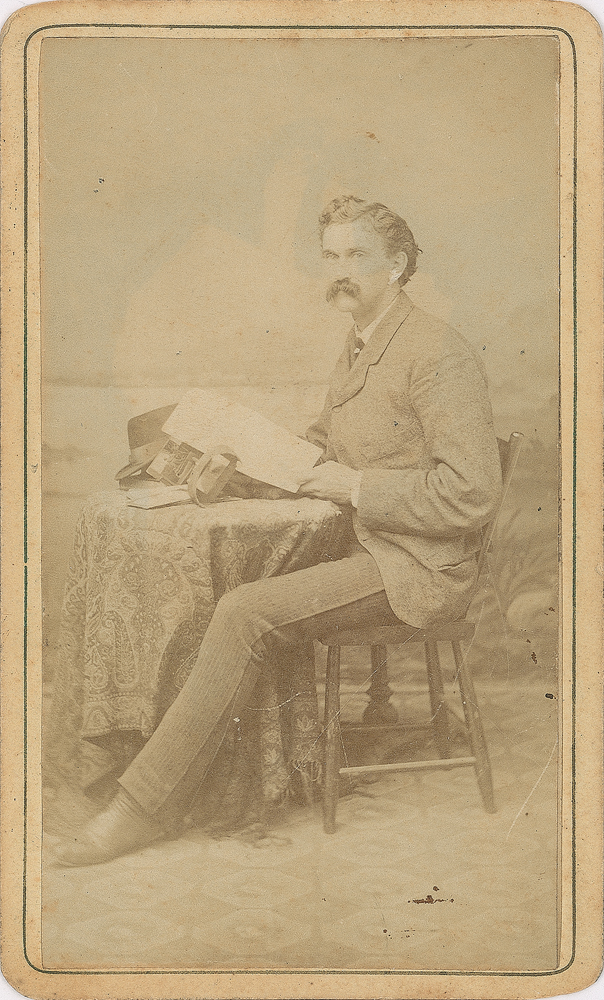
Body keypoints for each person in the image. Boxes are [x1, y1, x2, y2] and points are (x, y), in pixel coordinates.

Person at [56, 195, 503, 866]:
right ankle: (217, 775)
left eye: (358, 255)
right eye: (331, 255)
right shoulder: (362, 341)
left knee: (245, 612)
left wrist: (354, 487)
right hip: (367, 544)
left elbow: (472, 494)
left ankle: (142, 809)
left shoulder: (438, 351)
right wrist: (240, 464)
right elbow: (321, 445)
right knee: (218, 592)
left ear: (398, 265)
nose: (341, 271)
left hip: (418, 565)